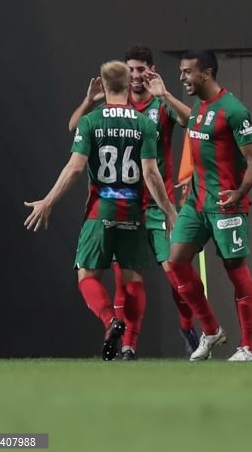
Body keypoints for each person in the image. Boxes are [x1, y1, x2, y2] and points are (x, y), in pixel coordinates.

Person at [24, 60, 178, 361]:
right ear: (128, 85)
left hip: (101, 209)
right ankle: (130, 345)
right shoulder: (144, 122)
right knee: (132, 279)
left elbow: (76, 168)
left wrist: (48, 201)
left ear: (104, 87)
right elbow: (150, 173)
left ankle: (110, 321)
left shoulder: (92, 121)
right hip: (134, 211)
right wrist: (169, 210)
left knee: (87, 275)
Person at [68, 45, 199, 359]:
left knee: (175, 272)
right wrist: (88, 101)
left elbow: (193, 122)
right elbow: (74, 126)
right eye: (131, 70)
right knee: (125, 279)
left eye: (141, 69)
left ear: (151, 70)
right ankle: (128, 347)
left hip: (156, 203)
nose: (137, 75)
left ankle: (187, 326)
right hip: (134, 204)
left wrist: (165, 94)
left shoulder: (159, 104)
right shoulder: (119, 106)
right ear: (126, 77)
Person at [147, 50, 252, 362]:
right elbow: (191, 120)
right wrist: (165, 95)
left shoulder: (234, 110)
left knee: (235, 271)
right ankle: (211, 331)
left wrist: (239, 192)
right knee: (177, 260)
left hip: (226, 205)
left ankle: (248, 347)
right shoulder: (200, 105)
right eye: (182, 72)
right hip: (197, 204)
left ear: (207, 73)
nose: (182, 77)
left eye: (187, 72)